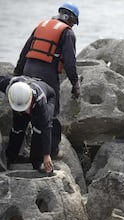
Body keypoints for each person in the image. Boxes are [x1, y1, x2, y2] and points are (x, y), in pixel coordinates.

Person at [13, 2, 81, 158]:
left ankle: (15, 152)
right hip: (47, 78)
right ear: (70, 18)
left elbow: (25, 51)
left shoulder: (41, 25)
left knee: (24, 112)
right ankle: (51, 152)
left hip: (27, 73)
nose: (73, 26)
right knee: (51, 115)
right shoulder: (67, 33)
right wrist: (75, 84)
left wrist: (17, 74)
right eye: (73, 23)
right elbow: (70, 62)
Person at [0, 75, 56, 173]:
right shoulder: (9, 86)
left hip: (47, 98)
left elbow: (46, 127)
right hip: (21, 102)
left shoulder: (40, 100)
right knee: (17, 128)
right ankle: (10, 157)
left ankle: (37, 161)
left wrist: (46, 154)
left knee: (39, 129)